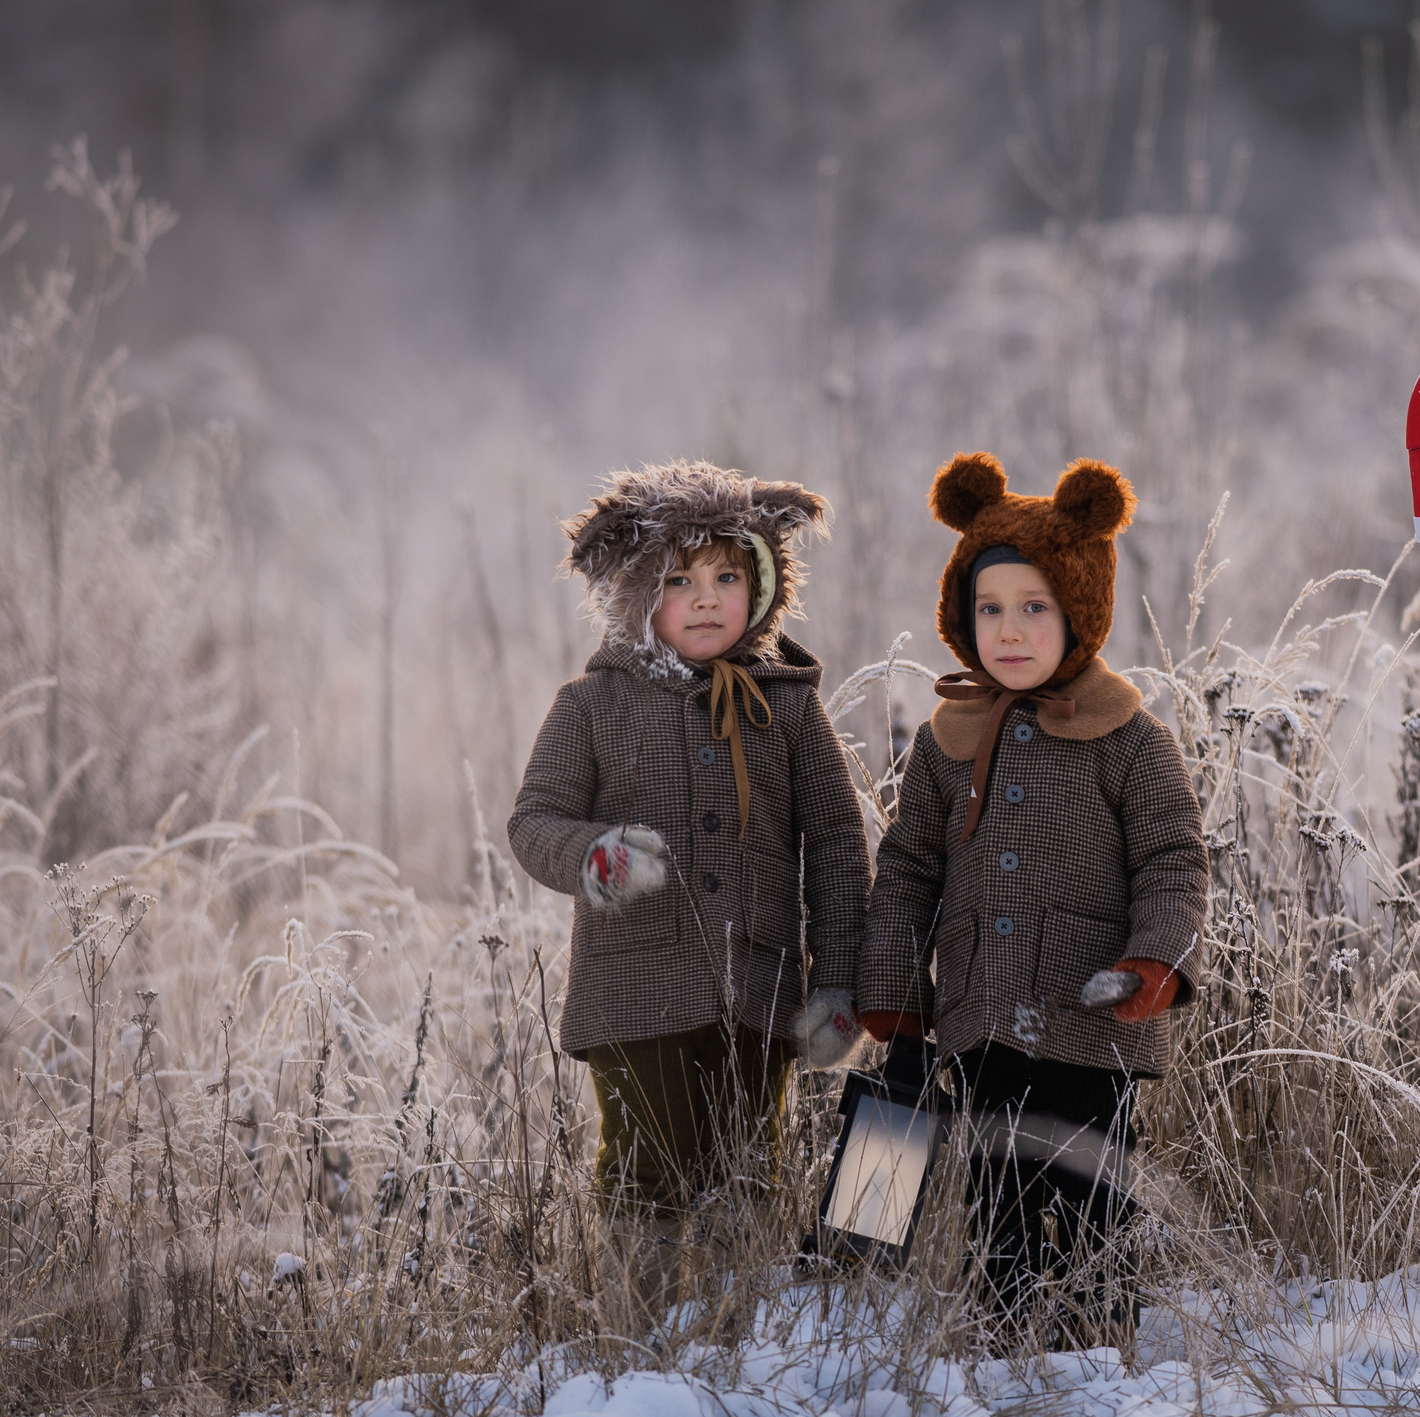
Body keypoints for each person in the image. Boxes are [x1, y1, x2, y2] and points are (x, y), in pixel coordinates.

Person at [509, 461, 870, 1328]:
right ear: (637, 593)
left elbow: (836, 844)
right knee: (647, 1169)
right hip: (636, 991)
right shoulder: (593, 705)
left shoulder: (788, 708)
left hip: (764, 990)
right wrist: (595, 854)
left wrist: (840, 981)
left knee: (751, 1163)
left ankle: (734, 1336)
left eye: (727, 577)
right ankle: (640, 1341)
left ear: (764, 583)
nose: (706, 599)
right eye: (678, 581)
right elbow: (534, 821)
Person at [858, 451, 1206, 1343]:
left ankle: (1098, 1337)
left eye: (1034, 607)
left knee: (1094, 1196)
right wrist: (895, 993)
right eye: (989, 610)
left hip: (1095, 1019)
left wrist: (1153, 960)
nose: (1009, 631)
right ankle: (1007, 1342)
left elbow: (1172, 859)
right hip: (981, 1016)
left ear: (1079, 607)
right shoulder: (947, 742)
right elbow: (907, 871)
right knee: (999, 1196)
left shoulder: (1128, 737)